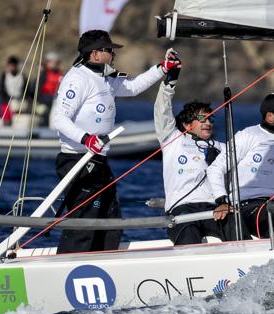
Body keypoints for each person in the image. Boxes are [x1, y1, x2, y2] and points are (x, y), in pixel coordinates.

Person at [52, 30, 179, 253]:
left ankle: (104, 258)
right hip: (77, 159)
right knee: (85, 220)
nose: (113, 54)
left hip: (98, 160)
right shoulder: (77, 79)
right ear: (95, 54)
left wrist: (162, 69)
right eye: (109, 50)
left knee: (110, 217)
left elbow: (133, 87)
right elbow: (59, 118)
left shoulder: (105, 77)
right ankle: (71, 263)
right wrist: (86, 138)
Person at [207, 92, 274, 238]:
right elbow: (215, 169)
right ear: (270, 116)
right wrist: (222, 201)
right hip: (251, 207)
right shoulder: (248, 135)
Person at [153, 50, 226, 245]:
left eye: (210, 118)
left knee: (235, 228)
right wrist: (170, 81)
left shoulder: (221, 148)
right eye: (202, 118)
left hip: (213, 208)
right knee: (189, 236)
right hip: (182, 208)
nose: (208, 122)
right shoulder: (173, 139)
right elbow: (163, 110)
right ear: (186, 125)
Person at [0, 55, 26, 126]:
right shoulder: (4, 76)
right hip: (7, 102)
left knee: (18, 122)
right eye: (11, 65)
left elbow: (26, 89)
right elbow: (2, 90)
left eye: (14, 65)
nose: (12, 67)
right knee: (7, 121)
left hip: (19, 102)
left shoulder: (22, 76)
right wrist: (8, 99)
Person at [38, 51, 63, 124]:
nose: (54, 64)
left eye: (56, 62)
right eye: (52, 62)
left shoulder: (60, 74)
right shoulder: (44, 73)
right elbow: (37, 89)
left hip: (56, 99)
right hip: (44, 99)